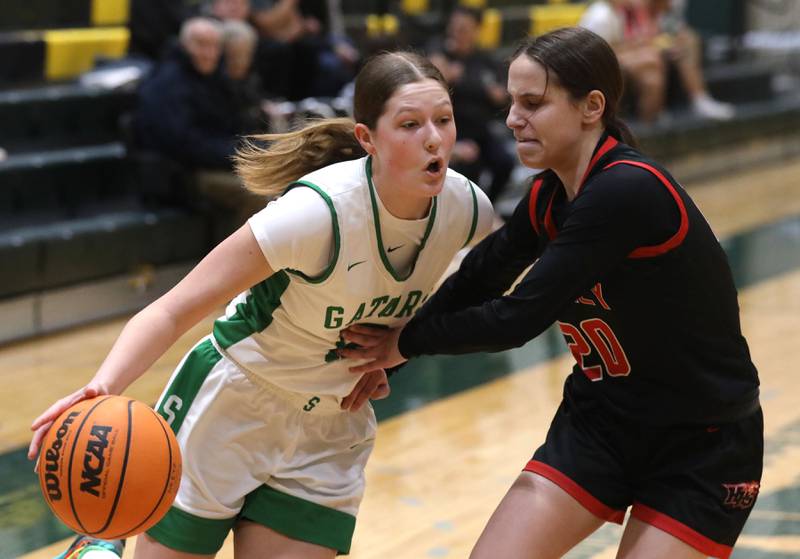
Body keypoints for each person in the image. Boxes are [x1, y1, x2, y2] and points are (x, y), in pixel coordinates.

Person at [31, 50, 493, 558]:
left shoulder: (467, 211)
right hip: (235, 401)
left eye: (443, 120)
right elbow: (174, 308)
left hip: (332, 424)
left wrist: (398, 349)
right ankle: (97, 550)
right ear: (367, 139)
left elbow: (456, 303)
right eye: (410, 124)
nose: (433, 138)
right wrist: (103, 386)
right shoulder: (316, 214)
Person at [340, 27, 762, 559]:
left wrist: (406, 342)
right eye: (513, 102)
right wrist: (389, 356)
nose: (514, 118)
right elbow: (478, 279)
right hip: (601, 427)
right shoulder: (549, 195)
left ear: (591, 107)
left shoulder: (626, 189)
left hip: (701, 444)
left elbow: (516, 318)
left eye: (533, 104)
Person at [580, 0, 734, 122]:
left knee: (655, 76)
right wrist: (645, 49)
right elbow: (595, 57)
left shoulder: (641, 10)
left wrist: (666, 44)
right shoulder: (600, 16)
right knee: (652, 62)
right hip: (606, 65)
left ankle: (653, 123)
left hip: (644, 60)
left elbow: (655, 35)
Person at [428, 6, 515, 203]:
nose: (456, 33)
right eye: (454, 27)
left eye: (463, 29)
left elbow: (501, 95)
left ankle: (489, 205)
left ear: (476, 30)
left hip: (481, 129)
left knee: (504, 162)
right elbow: (437, 74)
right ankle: (466, 211)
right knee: (470, 165)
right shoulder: (439, 51)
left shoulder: (483, 59)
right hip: (454, 130)